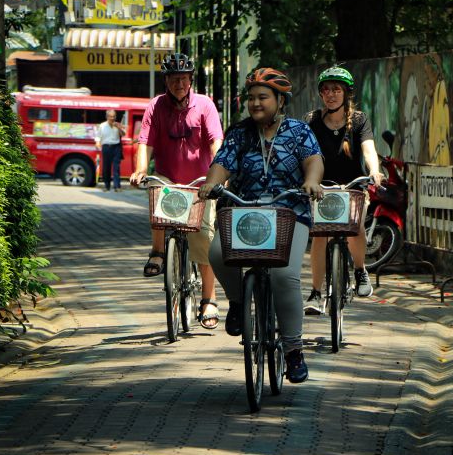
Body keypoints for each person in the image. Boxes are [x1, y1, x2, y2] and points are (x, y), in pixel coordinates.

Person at [198, 68, 324, 383]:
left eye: (263, 97)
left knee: (284, 275)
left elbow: (314, 161)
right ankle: (239, 303)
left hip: (289, 212)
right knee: (217, 253)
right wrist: (211, 184)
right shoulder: (239, 133)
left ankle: (294, 350)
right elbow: (221, 164)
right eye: (251, 97)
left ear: (280, 101)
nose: (256, 103)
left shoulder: (298, 131)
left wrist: (311, 182)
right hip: (243, 212)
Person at [130, 52, 224, 330]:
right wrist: (140, 170)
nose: (178, 84)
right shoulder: (155, 107)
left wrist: (218, 177)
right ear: (166, 81)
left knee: (204, 238)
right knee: (155, 190)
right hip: (168, 179)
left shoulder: (205, 105)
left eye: (183, 78)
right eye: (173, 79)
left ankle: (209, 298)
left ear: (191, 79)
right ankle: (158, 252)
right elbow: (144, 142)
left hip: (201, 183)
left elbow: (215, 143)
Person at [303, 66, 382, 315]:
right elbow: (303, 152)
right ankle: (316, 292)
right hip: (321, 190)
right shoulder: (312, 121)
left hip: (353, 187)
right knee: (319, 235)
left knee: (355, 226)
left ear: (346, 93)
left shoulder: (359, 120)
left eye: (336, 90)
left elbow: (368, 149)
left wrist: (374, 170)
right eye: (326, 90)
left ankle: (360, 270)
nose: (331, 94)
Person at [95, 109, 125, 192]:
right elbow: (98, 136)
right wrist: (98, 143)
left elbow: (123, 134)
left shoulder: (118, 125)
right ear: (107, 117)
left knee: (116, 167)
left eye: (114, 116)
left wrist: (119, 128)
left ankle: (117, 186)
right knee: (106, 167)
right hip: (106, 147)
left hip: (116, 147)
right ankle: (106, 185)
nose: (112, 118)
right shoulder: (102, 126)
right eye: (110, 117)